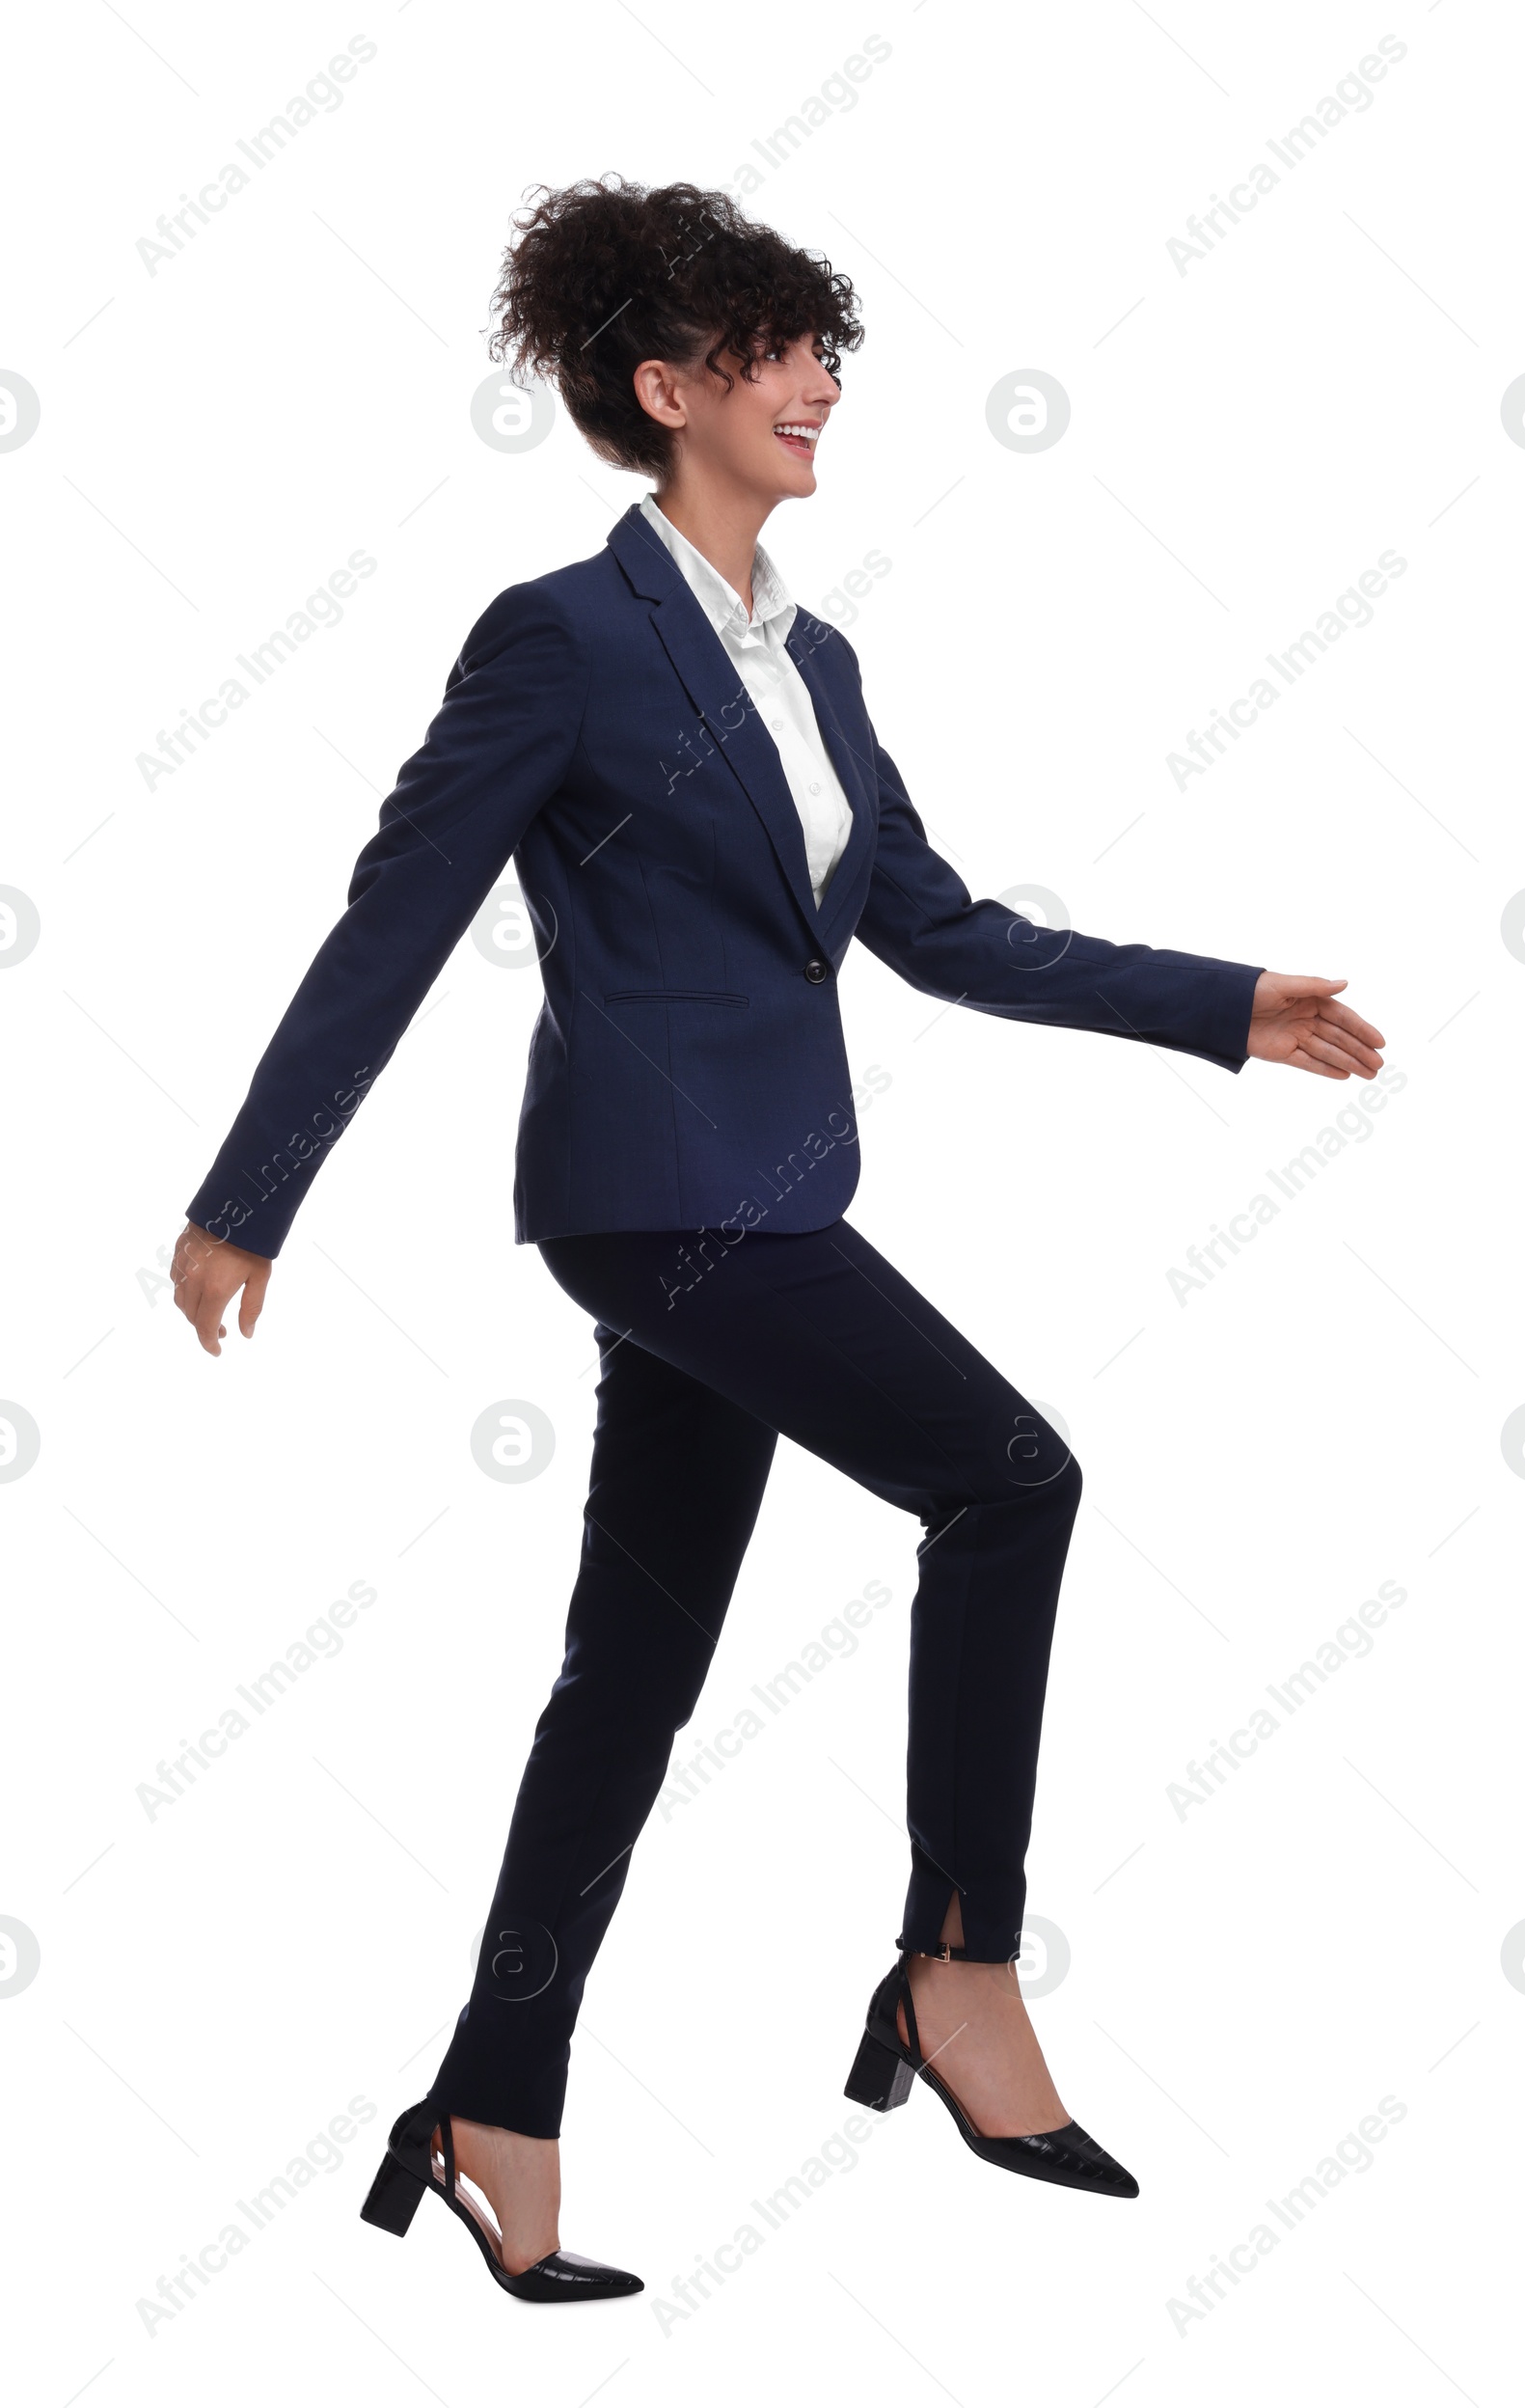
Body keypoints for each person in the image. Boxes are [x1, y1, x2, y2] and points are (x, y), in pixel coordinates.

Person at [171, 177, 1385, 2304]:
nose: (826, 377)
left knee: (626, 1674)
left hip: (756, 1197)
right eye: (779, 347)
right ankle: (956, 1967)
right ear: (667, 387)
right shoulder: (559, 633)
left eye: (826, 346)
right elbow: (400, 908)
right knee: (1010, 1478)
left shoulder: (809, 655)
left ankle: (489, 2099)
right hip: (655, 1205)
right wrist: (246, 1191)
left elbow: (930, 926)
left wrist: (1216, 1000)